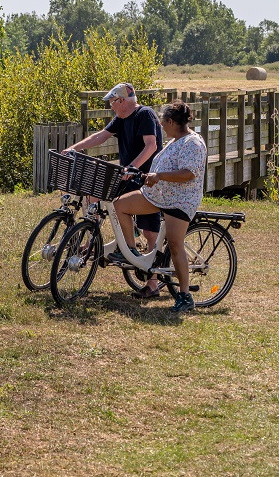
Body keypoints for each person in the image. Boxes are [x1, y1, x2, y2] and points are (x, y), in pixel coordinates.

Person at [63, 82, 163, 297]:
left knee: (150, 232)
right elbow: (100, 136)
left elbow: (151, 146)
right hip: (127, 175)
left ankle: (152, 284)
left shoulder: (145, 114)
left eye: (112, 102)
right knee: (94, 193)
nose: (111, 107)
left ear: (122, 101)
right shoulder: (122, 118)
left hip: (148, 178)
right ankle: (93, 239)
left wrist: (133, 167)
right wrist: (73, 148)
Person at [112, 99, 207, 312]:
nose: (161, 126)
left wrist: (159, 175)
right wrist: (143, 175)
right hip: (157, 196)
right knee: (120, 205)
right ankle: (130, 252)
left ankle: (185, 296)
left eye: (163, 122)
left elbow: (189, 173)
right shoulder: (175, 140)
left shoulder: (193, 143)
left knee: (175, 245)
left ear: (172, 122)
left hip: (180, 200)